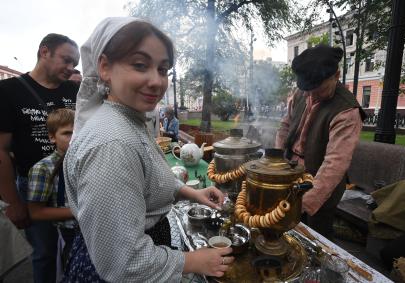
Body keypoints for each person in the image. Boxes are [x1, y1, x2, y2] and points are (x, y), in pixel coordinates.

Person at [62, 17, 233, 282]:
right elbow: (123, 262)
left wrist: (191, 192)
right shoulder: (112, 145)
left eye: (163, 70)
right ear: (105, 67)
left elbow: (146, 179)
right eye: (140, 65)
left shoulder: (130, 119)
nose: (156, 81)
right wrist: (192, 260)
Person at [0, 33, 79, 283]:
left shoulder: (74, 90)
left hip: (73, 183)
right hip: (35, 187)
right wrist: (13, 202)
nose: (71, 68)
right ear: (44, 52)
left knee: (76, 248)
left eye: (74, 64)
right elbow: (0, 149)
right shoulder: (8, 90)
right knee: (44, 253)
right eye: (66, 60)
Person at [275, 45, 365, 239]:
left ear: (336, 75)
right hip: (291, 173)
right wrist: (276, 163)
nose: (311, 96)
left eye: (319, 90)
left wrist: (304, 205)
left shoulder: (347, 112)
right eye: (308, 90)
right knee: (286, 233)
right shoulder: (302, 93)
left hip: (322, 181)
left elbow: (335, 164)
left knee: (316, 236)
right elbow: (285, 126)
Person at [27, 109, 76, 269]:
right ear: (52, 137)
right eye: (67, 133)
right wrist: (79, 211)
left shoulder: (89, 161)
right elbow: (36, 212)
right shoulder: (43, 168)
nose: (75, 138)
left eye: (79, 131)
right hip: (71, 235)